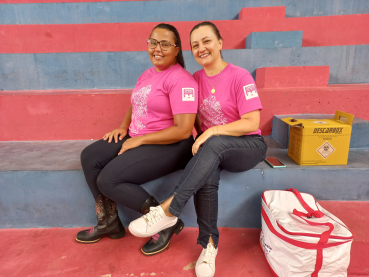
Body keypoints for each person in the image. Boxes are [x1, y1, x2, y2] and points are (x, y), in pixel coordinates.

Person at [128, 21, 268, 277]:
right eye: (195, 45)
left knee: (210, 143)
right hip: (214, 149)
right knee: (206, 170)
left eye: (206, 41)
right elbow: (192, 119)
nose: (201, 48)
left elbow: (252, 122)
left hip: (248, 145)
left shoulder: (240, 76)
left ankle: (169, 209)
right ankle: (209, 245)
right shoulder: (193, 80)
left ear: (220, 43)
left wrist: (211, 132)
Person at [75, 23, 198, 256]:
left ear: (176, 49)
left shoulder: (182, 80)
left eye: (164, 44)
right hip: (138, 135)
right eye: (152, 42)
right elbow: (137, 103)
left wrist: (138, 141)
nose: (157, 48)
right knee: (90, 156)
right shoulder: (148, 73)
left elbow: (183, 130)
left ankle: (165, 222)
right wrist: (123, 128)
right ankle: (109, 222)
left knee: (108, 179)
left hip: (172, 144)